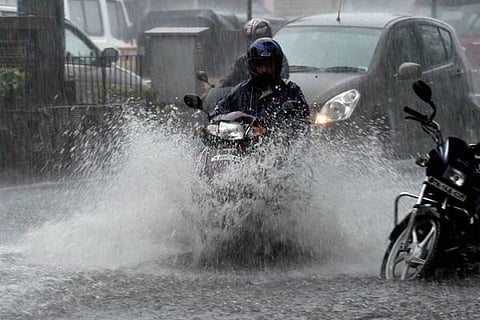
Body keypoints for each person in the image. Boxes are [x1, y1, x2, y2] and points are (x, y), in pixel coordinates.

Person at [212, 37, 310, 136]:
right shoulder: (240, 91)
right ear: (251, 66)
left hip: (278, 146)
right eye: (259, 65)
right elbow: (217, 114)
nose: (264, 70)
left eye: (269, 65)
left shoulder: (291, 90)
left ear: (277, 66)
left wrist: (268, 126)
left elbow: (302, 121)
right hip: (240, 146)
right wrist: (228, 118)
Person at [217, 18, 289, 88]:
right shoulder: (243, 60)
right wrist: (216, 90)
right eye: (250, 39)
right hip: (248, 98)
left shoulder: (278, 57)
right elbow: (230, 79)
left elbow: (282, 77)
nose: (263, 69)